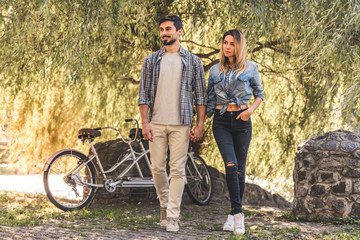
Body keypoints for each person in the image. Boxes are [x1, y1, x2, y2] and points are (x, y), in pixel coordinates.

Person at [138, 15, 207, 232]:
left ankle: (173, 216)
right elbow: (143, 95)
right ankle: (164, 204)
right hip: (156, 123)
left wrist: (200, 123)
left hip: (182, 123)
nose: (164, 33)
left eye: (168, 29)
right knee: (157, 168)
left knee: (177, 170)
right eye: (161, 30)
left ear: (180, 32)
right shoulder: (150, 61)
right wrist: (145, 122)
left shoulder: (194, 62)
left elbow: (201, 97)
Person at [206, 29, 264, 235]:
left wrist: (249, 111)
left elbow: (259, 95)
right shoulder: (214, 71)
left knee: (239, 168)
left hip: (242, 121)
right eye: (224, 42)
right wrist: (198, 124)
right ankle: (239, 215)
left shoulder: (251, 68)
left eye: (231, 43)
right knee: (230, 164)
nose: (227, 46)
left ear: (239, 46)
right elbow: (209, 100)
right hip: (221, 121)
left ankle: (233, 214)